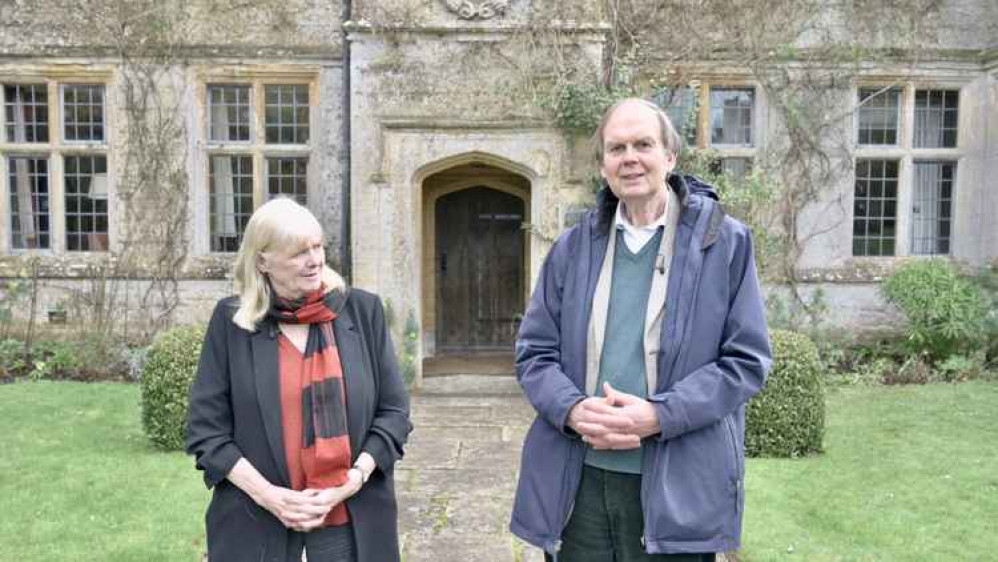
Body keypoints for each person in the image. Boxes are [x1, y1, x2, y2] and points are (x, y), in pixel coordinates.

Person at [510, 98, 772, 561]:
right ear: (603, 165)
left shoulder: (725, 243)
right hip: (580, 483)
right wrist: (571, 409)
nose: (629, 157)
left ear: (670, 157)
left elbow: (745, 362)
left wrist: (659, 415)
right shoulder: (574, 247)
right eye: (616, 148)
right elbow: (534, 352)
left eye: (643, 144)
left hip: (676, 487)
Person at [186, 197, 412, 562]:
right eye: (298, 253)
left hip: (353, 529)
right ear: (262, 261)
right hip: (256, 527)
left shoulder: (363, 312)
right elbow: (207, 433)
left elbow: (394, 413)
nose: (315, 260)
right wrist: (271, 497)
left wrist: (350, 482)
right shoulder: (231, 324)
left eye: (318, 246)